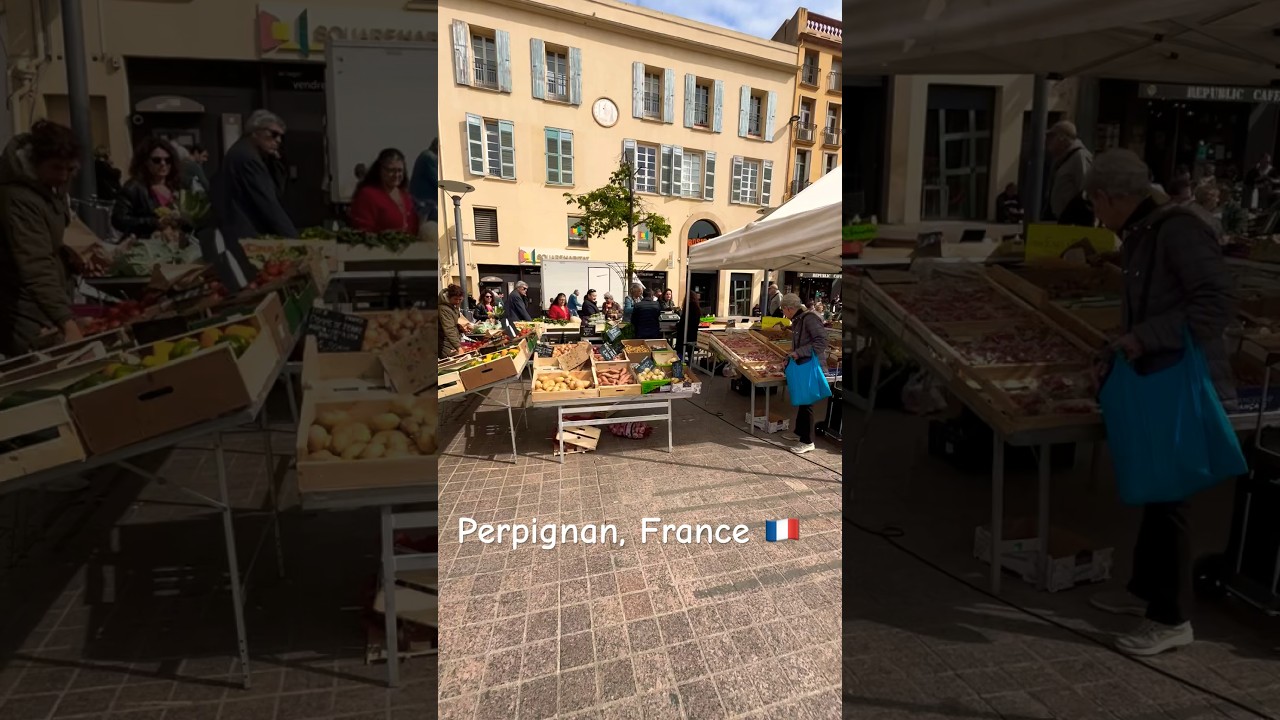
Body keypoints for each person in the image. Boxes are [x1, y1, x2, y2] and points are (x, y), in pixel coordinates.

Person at [1085, 149, 1234, 657]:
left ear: (1110, 196)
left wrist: (1143, 337)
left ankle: (1171, 618)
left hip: (1178, 377)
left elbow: (1214, 304)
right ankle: (1144, 593)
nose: (1096, 215)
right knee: (1159, 488)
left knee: (1171, 499)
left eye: (1095, 203)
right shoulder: (1146, 232)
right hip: (1158, 371)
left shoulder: (1177, 230)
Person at [0, 120, 83, 357]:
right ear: (35, 163)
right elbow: (35, 263)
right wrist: (66, 321)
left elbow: (44, 242)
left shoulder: (46, 191)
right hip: (21, 307)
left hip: (41, 302)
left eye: (70, 169)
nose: (64, 175)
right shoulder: (18, 198)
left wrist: (67, 255)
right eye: (57, 168)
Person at [208, 109, 298, 291]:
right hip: (245, 236)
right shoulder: (247, 158)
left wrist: (277, 163)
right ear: (255, 132)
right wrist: (294, 241)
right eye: (273, 134)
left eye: (281, 137)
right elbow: (268, 203)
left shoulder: (245, 153)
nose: (278, 141)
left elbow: (274, 192)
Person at [780, 293, 828, 455]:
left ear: (789, 308)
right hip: (803, 362)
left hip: (809, 365)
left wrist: (798, 353)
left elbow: (821, 342)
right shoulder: (800, 319)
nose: (784, 314)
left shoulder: (809, 318)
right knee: (803, 399)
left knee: (807, 403)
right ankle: (798, 432)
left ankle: (807, 441)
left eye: (783, 310)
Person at [112, 136, 186, 239]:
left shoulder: (177, 186)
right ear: (145, 162)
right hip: (146, 246)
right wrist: (153, 223)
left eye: (167, 160)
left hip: (176, 245)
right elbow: (118, 220)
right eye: (156, 160)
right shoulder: (134, 187)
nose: (163, 164)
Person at [349, 148, 418, 233]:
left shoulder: (405, 196)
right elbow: (362, 229)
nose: (396, 175)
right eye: (391, 170)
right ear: (380, 170)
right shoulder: (367, 195)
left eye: (399, 170)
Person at [1047, 121, 1095, 226]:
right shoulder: (1063, 159)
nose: (1048, 141)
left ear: (1062, 138)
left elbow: (1086, 191)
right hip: (1062, 220)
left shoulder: (1080, 157)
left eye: (1052, 137)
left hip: (1074, 223)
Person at [438, 284, 472, 358]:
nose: (458, 301)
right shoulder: (444, 309)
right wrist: (458, 347)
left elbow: (454, 323)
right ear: (449, 297)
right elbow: (449, 329)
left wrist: (460, 328)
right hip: (445, 344)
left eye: (460, 299)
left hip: (451, 342)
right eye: (455, 299)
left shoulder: (453, 307)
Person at [409, 138, 438, 224]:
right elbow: (436, 180)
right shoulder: (429, 157)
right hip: (425, 203)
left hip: (423, 202)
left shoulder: (426, 155)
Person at [674, 291, 703, 360]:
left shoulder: (688, 307)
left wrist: (677, 325)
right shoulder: (696, 307)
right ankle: (690, 363)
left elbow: (683, 322)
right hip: (693, 335)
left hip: (685, 334)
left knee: (681, 350)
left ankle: (680, 363)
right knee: (690, 351)